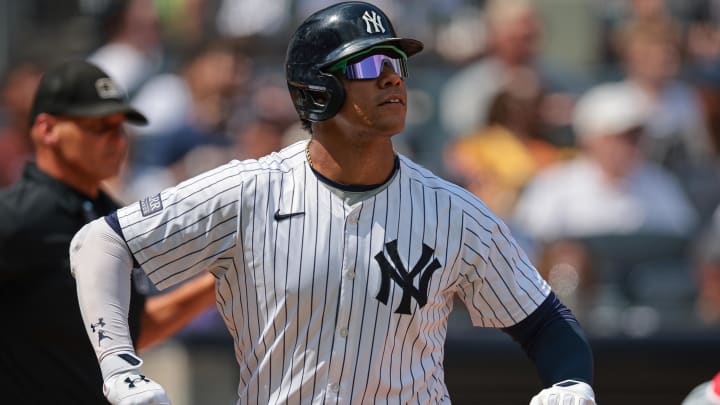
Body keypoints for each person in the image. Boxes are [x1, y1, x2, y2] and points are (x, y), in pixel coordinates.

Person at [69, 2, 595, 404]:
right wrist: (119, 365)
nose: (392, 76)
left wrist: (571, 382)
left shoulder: (453, 211)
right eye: (367, 66)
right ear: (318, 92)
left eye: (396, 62)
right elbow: (99, 242)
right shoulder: (250, 191)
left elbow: (547, 324)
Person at [0, 60, 217, 404]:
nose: (116, 140)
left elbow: (134, 328)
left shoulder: (111, 216)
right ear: (47, 129)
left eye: (121, 127)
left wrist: (218, 280)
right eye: (99, 126)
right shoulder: (17, 217)